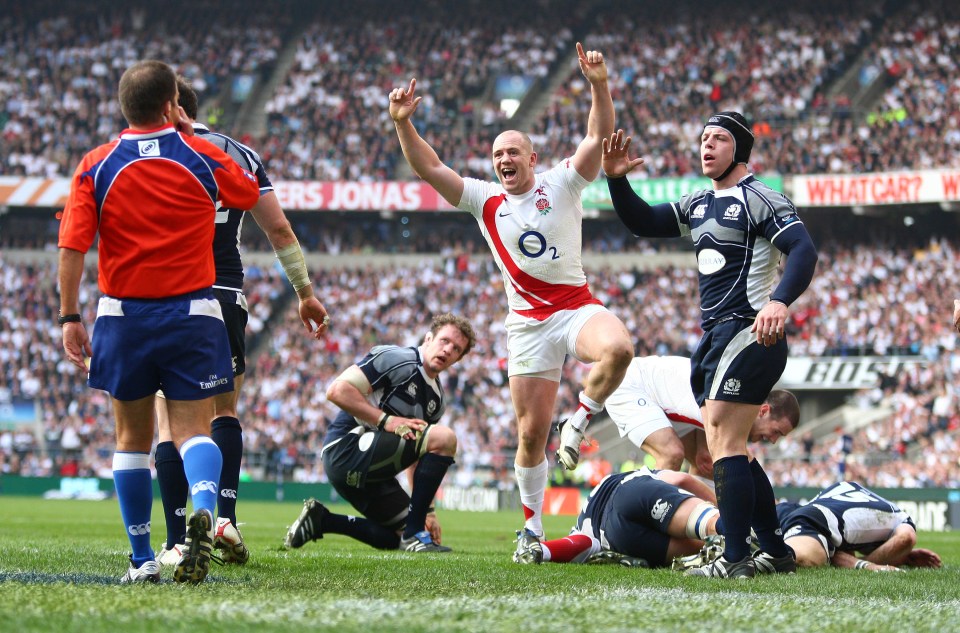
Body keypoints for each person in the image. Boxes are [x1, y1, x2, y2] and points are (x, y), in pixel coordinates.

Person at [388, 43, 634, 562]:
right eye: (498, 154)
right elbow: (429, 168)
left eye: (512, 153)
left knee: (619, 349)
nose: (504, 160)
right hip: (527, 325)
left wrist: (597, 84)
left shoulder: (562, 183)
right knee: (529, 434)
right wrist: (404, 124)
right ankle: (532, 530)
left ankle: (582, 417)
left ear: (531, 159)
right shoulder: (485, 199)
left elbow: (596, 136)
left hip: (574, 307)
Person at [57, 60, 260, 584]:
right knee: (195, 431)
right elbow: (245, 193)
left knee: (131, 440)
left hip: (123, 316)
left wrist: (70, 316)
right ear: (173, 103)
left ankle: (143, 558)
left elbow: (73, 245)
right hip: (193, 312)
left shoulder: (97, 164)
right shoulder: (198, 153)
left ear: (124, 108)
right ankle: (206, 510)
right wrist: (193, 136)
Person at [602, 114, 819, 579]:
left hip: (751, 331)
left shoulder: (761, 197)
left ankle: (736, 556)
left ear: (739, 151)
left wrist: (780, 301)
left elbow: (803, 250)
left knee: (722, 440)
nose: (707, 145)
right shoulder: (698, 202)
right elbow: (643, 221)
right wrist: (617, 180)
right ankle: (776, 550)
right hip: (716, 337)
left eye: (719, 139)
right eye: (703, 138)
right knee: (729, 444)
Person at [152, 78, 330, 568]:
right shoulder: (239, 154)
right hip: (225, 294)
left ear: (169, 109)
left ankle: (173, 539)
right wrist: (305, 293)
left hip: (170, 294)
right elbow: (278, 228)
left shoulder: (155, 151)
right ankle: (225, 516)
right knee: (224, 411)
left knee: (169, 420)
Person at [284, 313, 476, 553]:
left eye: (456, 349)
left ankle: (322, 520)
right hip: (345, 450)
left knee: (396, 539)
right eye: (444, 340)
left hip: (372, 476)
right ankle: (414, 534)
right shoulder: (397, 359)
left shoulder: (436, 400)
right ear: (428, 338)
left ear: (458, 359)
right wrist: (387, 420)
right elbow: (336, 391)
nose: (448, 349)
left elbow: (417, 458)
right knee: (446, 438)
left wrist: (428, 511)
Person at [604, 355, 800, 478]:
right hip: (632, 384)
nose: (773, 441)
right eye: (776, 432)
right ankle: (638, 520)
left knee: (705, 463)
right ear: (763, 411)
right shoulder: (730, 408)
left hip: (666, 401)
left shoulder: (739, 402)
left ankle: (705, 530)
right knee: (671, 454)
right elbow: (744, 465)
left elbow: (708, 455)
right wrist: (772, 512)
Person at [514, 466, 720, 569]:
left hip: (618, 536)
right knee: (713, 525)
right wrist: (721, 507)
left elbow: (580, 543)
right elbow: (681, 478)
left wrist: (543, 550)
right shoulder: (636, 475)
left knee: (704, 546)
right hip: (632, 492)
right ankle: (742, 535)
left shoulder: (582, 529)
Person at [778, 481, 942, 572]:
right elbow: (907, 538)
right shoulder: (900, 519)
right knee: (793, 559)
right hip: (815, 521)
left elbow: (846, 550)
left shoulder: (864, 500)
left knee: (759, 518)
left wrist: (904, 557)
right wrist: (868, 565)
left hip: (799, 509)